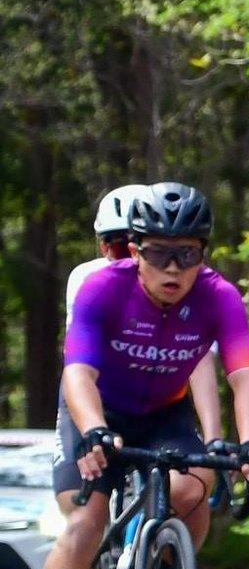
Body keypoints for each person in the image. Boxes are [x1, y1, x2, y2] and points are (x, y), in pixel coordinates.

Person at [42, 182, 249, 569]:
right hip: (94, 406)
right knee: (84, 523)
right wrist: (95, 430)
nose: (173, 269)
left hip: (163, 413)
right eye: (157, 253)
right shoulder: (103, 289)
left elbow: (244, 377)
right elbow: (77, 372)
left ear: (203, 255)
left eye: (187, 254)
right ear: (134, 251)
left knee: (193, 487)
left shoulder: (219, 297)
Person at [68, 185, 227, 446]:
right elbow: (78, 366)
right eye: (119, 250)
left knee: (191, 479)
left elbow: (201, 363)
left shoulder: (190, 283)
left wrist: (213, 438)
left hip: (161, 406)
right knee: (83, 482)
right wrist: (92, 429)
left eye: (163, 251)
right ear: (104, 248)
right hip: (102, 396)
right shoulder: (89, 280)